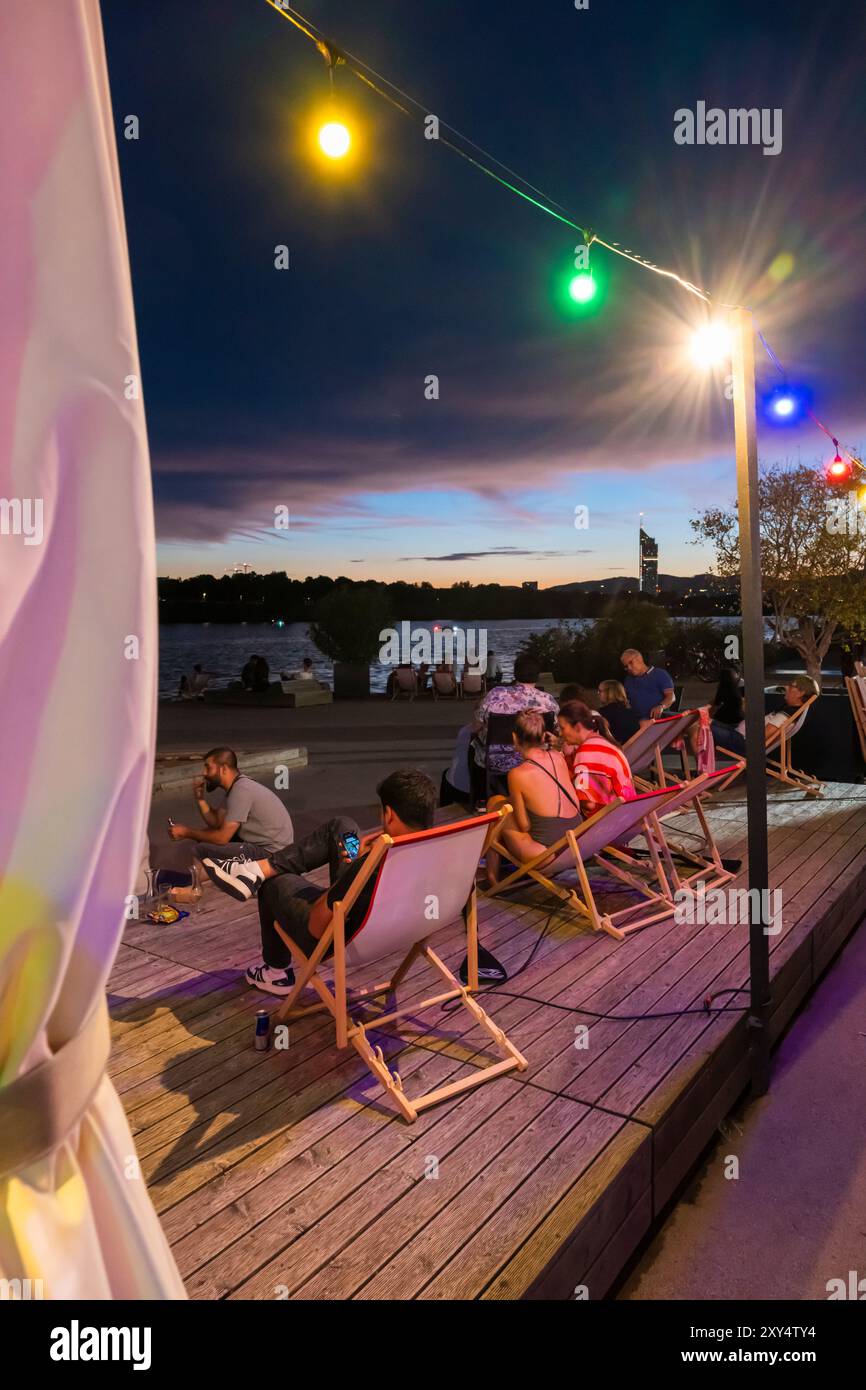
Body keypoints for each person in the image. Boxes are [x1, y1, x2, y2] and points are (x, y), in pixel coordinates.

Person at [201, 770, 438, 995]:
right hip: (387, 925)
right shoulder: (438, 851)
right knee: (343, 827)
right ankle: (259, 868)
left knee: (273, 881)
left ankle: (276, 970)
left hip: (341, 936)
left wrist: (355, 869)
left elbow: (316, 926)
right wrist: (359, 861)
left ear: (389, 814)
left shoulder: (370, 867)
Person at [484, 711, 582, 885]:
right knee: (505, 802)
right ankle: (490, 873)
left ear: (515, 738)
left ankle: (492, 877)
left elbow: (524, 825)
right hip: (576, 842)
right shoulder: (558, 757)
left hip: (546, 854)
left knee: (496, 804)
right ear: (543, 735)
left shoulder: (518, 774)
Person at [168, 747, 294, 877]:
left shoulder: (241, 790)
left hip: (274, 854)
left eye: (208, 767)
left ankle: (194, 888)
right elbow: (216, 822)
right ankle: (199, 881)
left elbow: (222, 837)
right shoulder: (237, 786)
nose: (204, 773)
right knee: (206, 837)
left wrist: (187, 832)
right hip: (268, 848)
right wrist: (200, 800)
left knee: (200, 849)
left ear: (223, 769)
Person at [471, 653, 559, 795]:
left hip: (496, 760)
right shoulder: (548, 701)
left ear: (515, 673)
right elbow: (557, 731)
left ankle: (479, 798)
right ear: (537, 675)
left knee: (473, 746)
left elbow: (476, 726)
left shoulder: (495, 695)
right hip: (536, 759)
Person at [558, 700, 636, 817]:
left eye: (563, 728)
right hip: (628, 813)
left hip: (611, 820)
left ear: (578, 727)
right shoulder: (602, 742)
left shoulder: (586, 752)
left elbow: (589, 804)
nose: (560, 733)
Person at [716, 674, 818, 758]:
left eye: (791, 686)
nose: (786, 687)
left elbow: (760, 737)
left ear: (801, 693)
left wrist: (748, 712)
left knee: (704, 727)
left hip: (741, 742)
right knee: (706, 722)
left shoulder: (784, 716)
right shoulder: (790, 711)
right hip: (739, 734)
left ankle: (702, 770)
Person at [620, 649, 675, 721]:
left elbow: (671, 696)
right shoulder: (628, 680)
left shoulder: (659, 674)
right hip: (636, 720)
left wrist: (661, 706)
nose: (629, 668)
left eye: (631, 662)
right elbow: (625, 700)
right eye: (626, 666)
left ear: (639, 658)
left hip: (657, 718)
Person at [597, 679, 642, 745]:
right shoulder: (630, 710)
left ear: (609, 693)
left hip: (619, 750)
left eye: (600, 691)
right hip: (637, 746)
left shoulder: (604, 712)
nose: (598, 694)